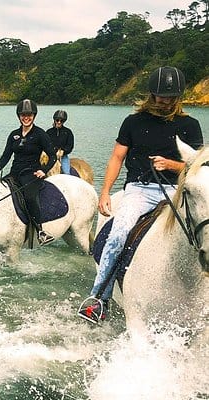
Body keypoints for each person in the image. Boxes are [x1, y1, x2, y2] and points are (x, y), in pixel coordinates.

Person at [78, 66, 203, 324]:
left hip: (176, 191)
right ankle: (99, 299)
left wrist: (171, 165)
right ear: (151, 94)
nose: (165, 101)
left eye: (170, 97)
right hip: (139, 190)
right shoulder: (133, 122)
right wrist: (104, 192)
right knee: (119, 234)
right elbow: (116, 157)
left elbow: (198, 168)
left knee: (202, 232)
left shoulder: (190, 125)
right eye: (160, 96)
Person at [0, 99, 57, 245]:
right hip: (14, 173)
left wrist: (43, 170)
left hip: (31, 174)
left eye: (29, 115)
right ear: (19, 116)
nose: (26, 117)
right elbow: (6, 155)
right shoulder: (14, 134)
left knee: (30, 197)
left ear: (34, 116)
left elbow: (52, 156)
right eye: (23, 115)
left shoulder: (40, 134)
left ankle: (41, 231)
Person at [46, 110, 74, 174]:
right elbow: (45, 144)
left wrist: (63, 151)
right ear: (54, 120)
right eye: (57, 120)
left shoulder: (68, 132)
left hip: (63, 156)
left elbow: (70, 145)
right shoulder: (48, 132)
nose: (59, 122)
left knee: (67, 173)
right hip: (50, 156)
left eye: (61, 121)